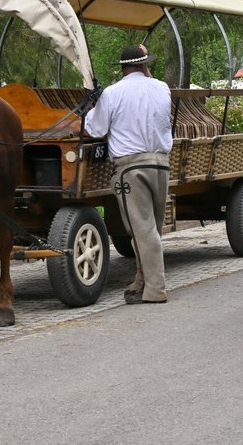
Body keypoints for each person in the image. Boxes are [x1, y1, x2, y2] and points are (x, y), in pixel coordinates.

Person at [83, 44, 172, 304]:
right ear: (144, 65)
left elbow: (96, 129)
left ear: (123, 68)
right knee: (153, 229)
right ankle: (142, 280)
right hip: (160, 163)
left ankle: (156, 289)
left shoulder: (113, 93)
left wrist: (92, 109)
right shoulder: (162, 88)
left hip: (131, 167)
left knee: (142, 230)